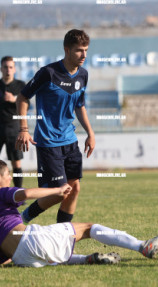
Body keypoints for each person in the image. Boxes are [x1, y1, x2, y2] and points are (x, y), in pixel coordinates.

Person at [0, 160, 158, 267]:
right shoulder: (2, 192)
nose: (10, 177)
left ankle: (87, 259)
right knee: (88, 228)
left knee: (53, 257)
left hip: (22, 260)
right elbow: (26, 194)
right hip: (30, 240)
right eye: (8, 174)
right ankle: (142, 246)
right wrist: (57, 189)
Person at [15, 29, 95, 224]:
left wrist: (90, 134)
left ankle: (63, 235)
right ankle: (21, 218)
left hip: (70, 140)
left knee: (74, 188)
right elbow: (22, 97)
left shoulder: (83, 75)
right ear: (66, 50)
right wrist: (23, 129)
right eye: (79, 50)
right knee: (59, 192)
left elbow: (80, 105)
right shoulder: (48, 73)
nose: (84, 55)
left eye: (86, 50)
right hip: (49, 142)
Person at [0, 56, 26, 188]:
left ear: (14, 69)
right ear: (1, 69)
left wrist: (14, 99)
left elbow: (27, 104)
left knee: (16, 162)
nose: (8, 70)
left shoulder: (20, 85)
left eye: (10, 67)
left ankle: (17, 195)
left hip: (13, 128)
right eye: (5, 67)